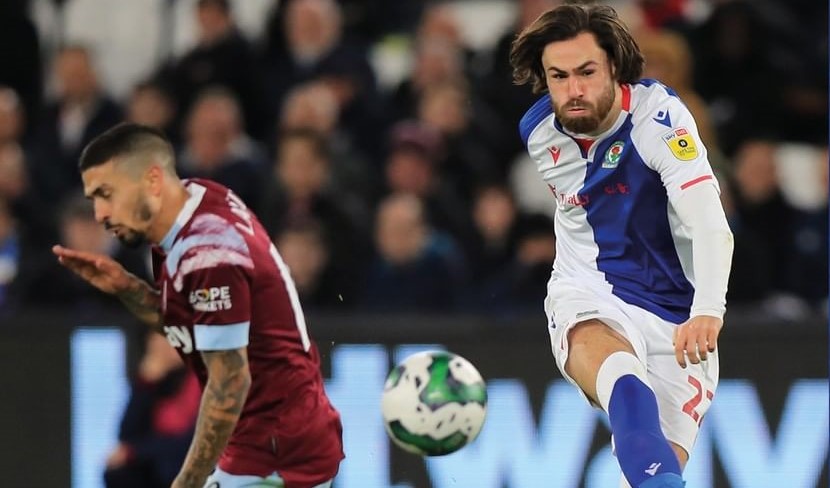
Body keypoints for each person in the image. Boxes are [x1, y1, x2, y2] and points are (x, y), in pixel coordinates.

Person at [509, 4, 734, 488]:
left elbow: (709, 221)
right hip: (587, 290)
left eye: (587, 72)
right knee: (623, 383)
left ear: (614, 66)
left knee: (654, 476)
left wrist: (708, 309)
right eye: (559, 76)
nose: (573, 91)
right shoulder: (539, 132)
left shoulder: (660, 120)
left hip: (680, 315)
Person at [53, 123, 344, 488]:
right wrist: (129, 289)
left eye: (106, 194)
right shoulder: (197, 200)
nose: (99, 213)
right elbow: (195, 328)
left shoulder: (207, 253)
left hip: (276, 450)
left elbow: (230, 383)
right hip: (275, 436)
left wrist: (187, 483)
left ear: (153, 181)